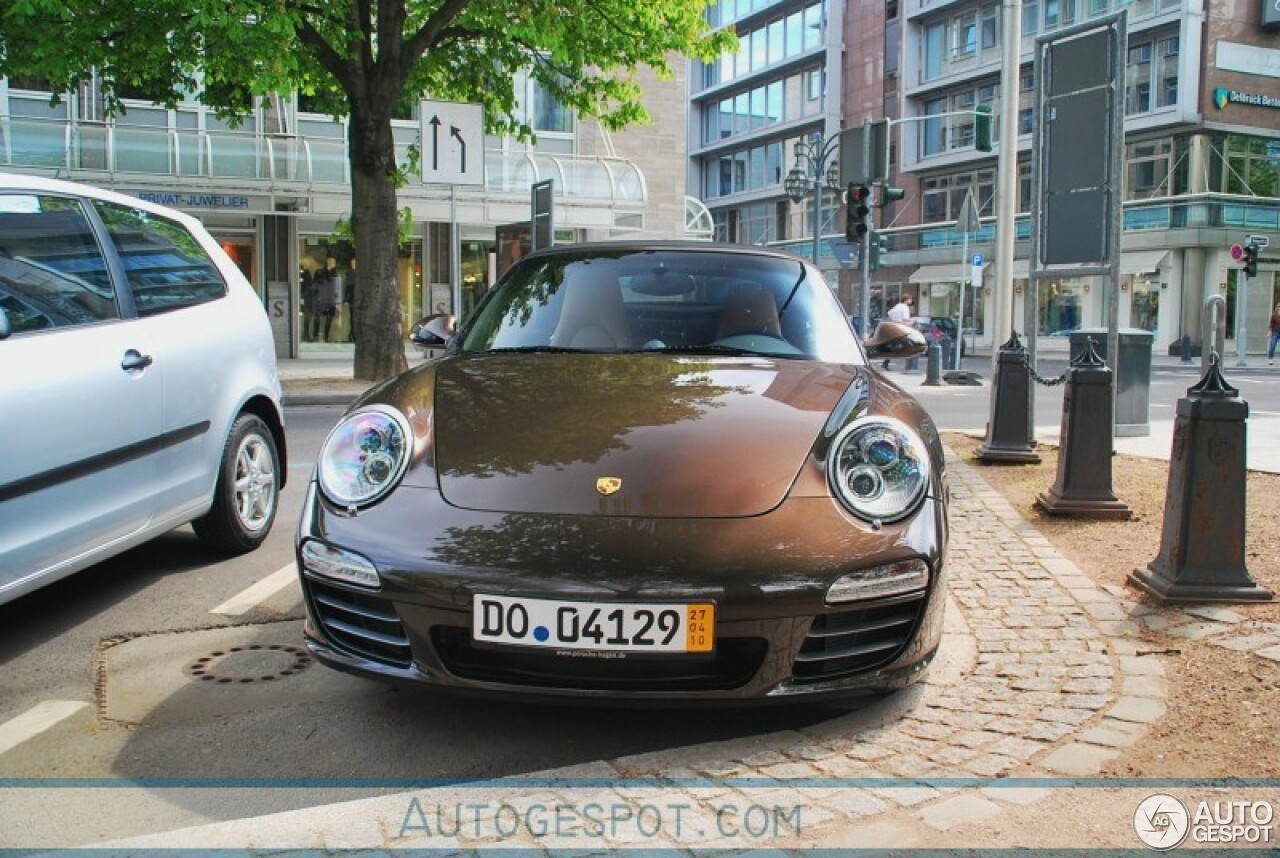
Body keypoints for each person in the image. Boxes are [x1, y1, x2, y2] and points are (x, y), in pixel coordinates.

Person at [882, 295, 913, 369]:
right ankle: (911, 365)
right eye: (910, 299)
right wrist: (913, 320)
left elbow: (889, 313)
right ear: (906, 300)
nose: (911, 301)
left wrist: (894, 319)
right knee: (907, 344)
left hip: (894, 326)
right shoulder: (905, 307)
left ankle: (886, 362)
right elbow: (905, 318)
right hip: (901, 328)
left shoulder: (897, 306)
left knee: (894, 345)